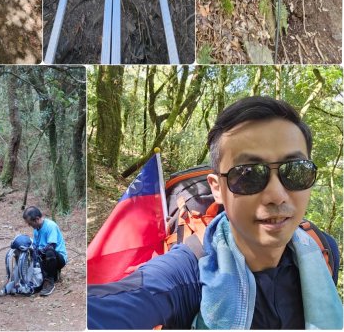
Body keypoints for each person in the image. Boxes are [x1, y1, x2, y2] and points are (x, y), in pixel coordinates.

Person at [88, 97, 343, 329]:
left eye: (295, 170)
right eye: (248, 174)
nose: (277, 194)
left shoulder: (324, 251)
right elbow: (118, 306)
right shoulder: (188, 274)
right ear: (217, 188)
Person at [22, 206, 67, 297]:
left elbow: (52, 246)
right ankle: (46, 277)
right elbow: (35, 245)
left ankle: (50, 281)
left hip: (57, 258)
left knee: (49, 251)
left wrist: (39, 252)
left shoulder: (51, 226)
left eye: (30, 223)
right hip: (43, 257)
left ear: (37, 219)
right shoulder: (36, 230)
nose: (29, 225)